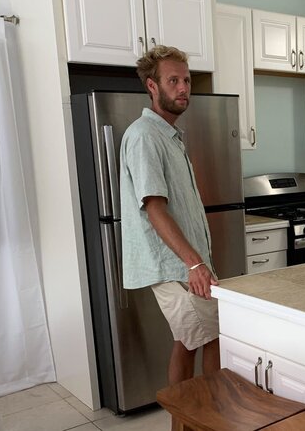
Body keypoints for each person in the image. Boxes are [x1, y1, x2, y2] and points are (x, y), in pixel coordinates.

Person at [119, 45, 220, 385]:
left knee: (189, 342)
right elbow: (153, 207)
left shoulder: (170, 136)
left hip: (183, 263)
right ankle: (212, 416)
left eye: (187, 81)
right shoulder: (145, 136)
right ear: (152, 86)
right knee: (214, 338)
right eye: (173, 80)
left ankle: (189, 421)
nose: (183, 88)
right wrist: (194, 263)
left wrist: (197, 260)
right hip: (173, 265)